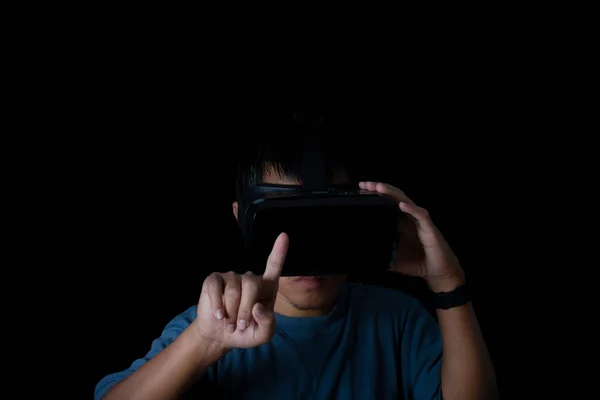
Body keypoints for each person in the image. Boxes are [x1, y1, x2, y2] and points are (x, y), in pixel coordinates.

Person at [94, 136, 499, 399]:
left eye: (328, 224)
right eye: (286, 225)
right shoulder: (208, 324)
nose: (308, 251)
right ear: (245, 221)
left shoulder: (398, 322)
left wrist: (448, 283)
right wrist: (204, 341)